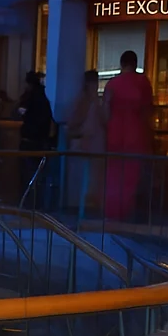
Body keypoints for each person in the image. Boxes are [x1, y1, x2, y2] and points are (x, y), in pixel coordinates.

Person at [103, 50, 153, 221]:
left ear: (121, 63)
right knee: (131, 177)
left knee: (114, 176)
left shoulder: (111, 85)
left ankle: (112, 214)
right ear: (135, 64)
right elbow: (148, 112)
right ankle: (126, 215)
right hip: (136, 136)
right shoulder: (142, 83)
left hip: (114, 135)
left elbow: (106, 113)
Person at [66, 69, 105, 211]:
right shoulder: (85, 101)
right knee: (85, 180)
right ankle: (81, 207)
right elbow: (74, 122)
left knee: (89, 179)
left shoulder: (92, 101)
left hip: (91, 146)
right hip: (86, 146)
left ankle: (84, 206)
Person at [16, 70, 54, 194]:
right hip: (41, 141)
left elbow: (23, 114)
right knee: (37, 176)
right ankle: (36, 202)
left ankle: (27, 201)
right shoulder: (44, 97)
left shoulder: (29, 98)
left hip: (29, 140)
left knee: (26, 174)